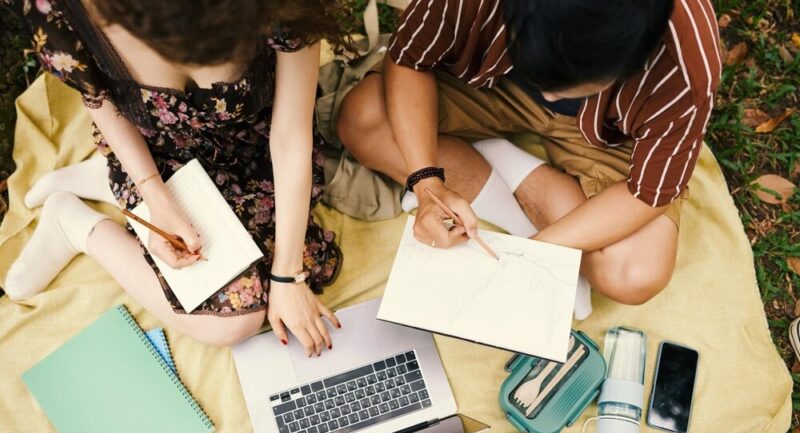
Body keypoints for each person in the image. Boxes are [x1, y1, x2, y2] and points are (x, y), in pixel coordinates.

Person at [3, 0, 345, 356]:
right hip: (153, 150)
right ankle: (73, 224)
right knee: (232, 320)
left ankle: (102, 184)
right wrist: (154, 195)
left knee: (283, 272)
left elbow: (289, 137)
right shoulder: (60, 9)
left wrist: (288, 275)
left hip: (254, 148)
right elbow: (98, 99)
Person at [337, 0, 720, 306]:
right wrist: (426, 183)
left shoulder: (686, 61)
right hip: (491, 84)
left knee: (634, 273)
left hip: (606, 133)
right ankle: (502, 168)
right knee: (363, 120)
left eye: (574, 84)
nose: (550, 95)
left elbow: (649, 193)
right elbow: (409, 59)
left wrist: (532, 252)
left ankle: (508, 166)